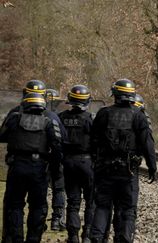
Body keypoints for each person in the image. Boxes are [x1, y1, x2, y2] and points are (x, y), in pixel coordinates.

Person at [90, 78, 156, 243]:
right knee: (127, 209)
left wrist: (95, 162)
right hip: (128, 172)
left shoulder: (103, 113)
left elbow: (92, 140)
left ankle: (97, 238)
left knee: (102, 207)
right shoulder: (139, 116)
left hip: (105, 170)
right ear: (132, 95)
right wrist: (152, 167)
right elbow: (147, 144)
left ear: (115, 94)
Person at [0, 92, 63, 242]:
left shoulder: (14, 118)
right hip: (39, 169)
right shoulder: (49, 122)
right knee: (38, 207)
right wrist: (54, 171)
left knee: (14, 205)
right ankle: (33, 239)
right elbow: (57, 148)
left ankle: (16, 238)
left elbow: (2, 136)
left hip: (17, 167)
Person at [58, 85, 95, 243]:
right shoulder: (90, 119)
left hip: (68, 162)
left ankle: (73, 236)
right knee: (91, 200)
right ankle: (87, 235)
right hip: (86, 162)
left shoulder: (60, 117)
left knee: (73, 201)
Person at [46, 88, 67, 231]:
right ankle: (56, 219)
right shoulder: (57, 117)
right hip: (56, 158)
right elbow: (62, 139)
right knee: (59, 190)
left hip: (43, 158)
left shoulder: (45, 114)